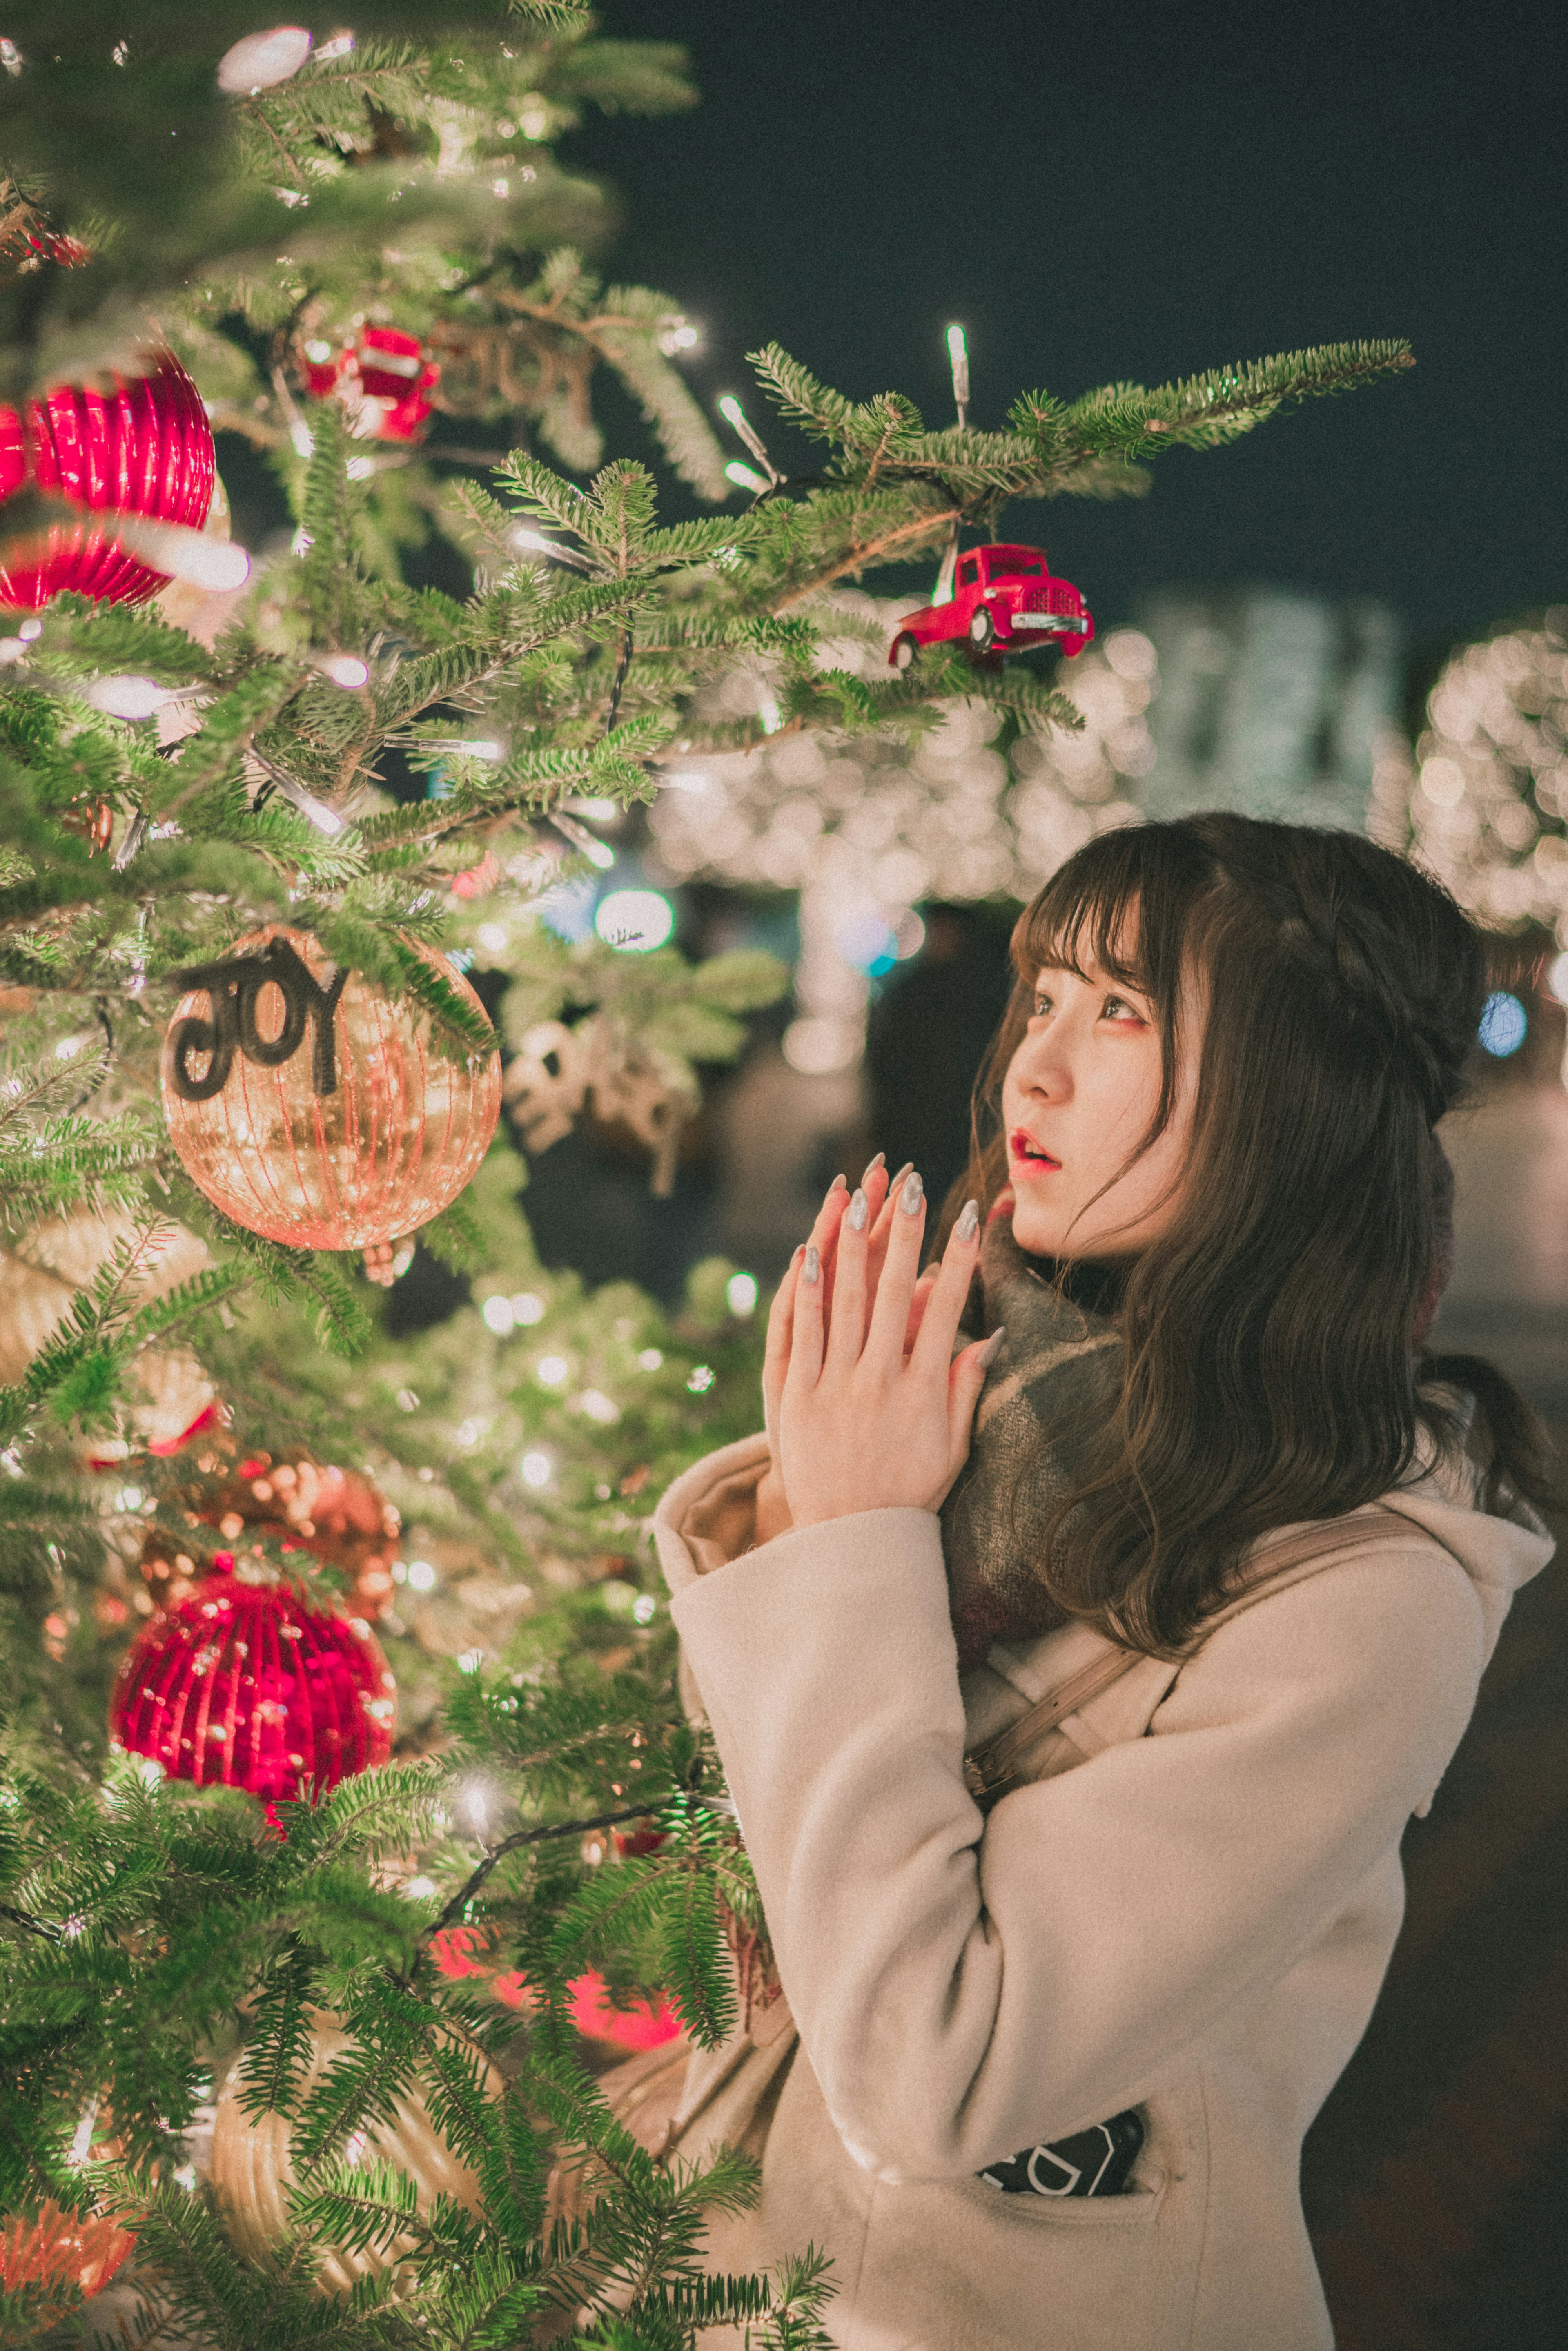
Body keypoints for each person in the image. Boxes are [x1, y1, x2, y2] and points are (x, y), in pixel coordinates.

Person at [650, 814, 1556, 2351]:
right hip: (737, 2260)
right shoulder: (1010, 1393)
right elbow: (749, 1798)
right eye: (1044, 999)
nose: (1034, 1072)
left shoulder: (1366, 1591)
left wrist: (850, 1542)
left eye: (1123, 1013)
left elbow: (938, 2074)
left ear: (1293, 1098)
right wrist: (814, 1502)